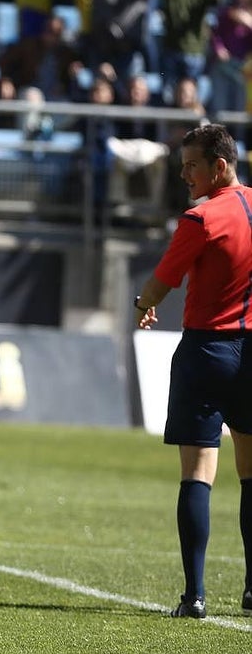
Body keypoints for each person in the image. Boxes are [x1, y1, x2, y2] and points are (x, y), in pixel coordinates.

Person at [134, 123, 252, 620]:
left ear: (219, 167)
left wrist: (143, 303)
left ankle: (195, 596)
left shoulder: (202, 218)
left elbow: (164, 279)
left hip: (208, 350)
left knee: (198, 472)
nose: (184, 175)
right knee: (251, 472)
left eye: (191, 166)